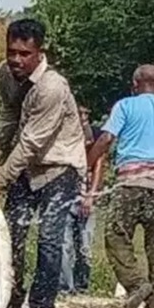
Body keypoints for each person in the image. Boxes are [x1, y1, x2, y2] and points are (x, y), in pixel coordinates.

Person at [0, 18, 87, 308]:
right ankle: (9, 299)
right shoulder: (6, 74)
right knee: (10, 232)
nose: (17, 60)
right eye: (12, 52)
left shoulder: (53, 87)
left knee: (50, 240)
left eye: (25, 54)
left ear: (40, 52)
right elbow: (9, 114)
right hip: (27, 166)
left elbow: (31, 142)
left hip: (59, 166)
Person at [87, 64, 154, 308]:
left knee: (115, 234)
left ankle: (136, 285)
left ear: (134, 85)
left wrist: (87, 165)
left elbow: (106, 138)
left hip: (131, 184)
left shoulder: (125, 106)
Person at [59, 106, 100, 294]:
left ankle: (82, 286)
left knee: (85, 245)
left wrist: (91, 195)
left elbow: (99, 167)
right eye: (80, 115)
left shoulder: (94, 140)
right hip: (66, 199)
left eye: (85, 115)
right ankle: (65, 287)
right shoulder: (65, 138)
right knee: (65, 245)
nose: (83, 118)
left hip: (86, 198)